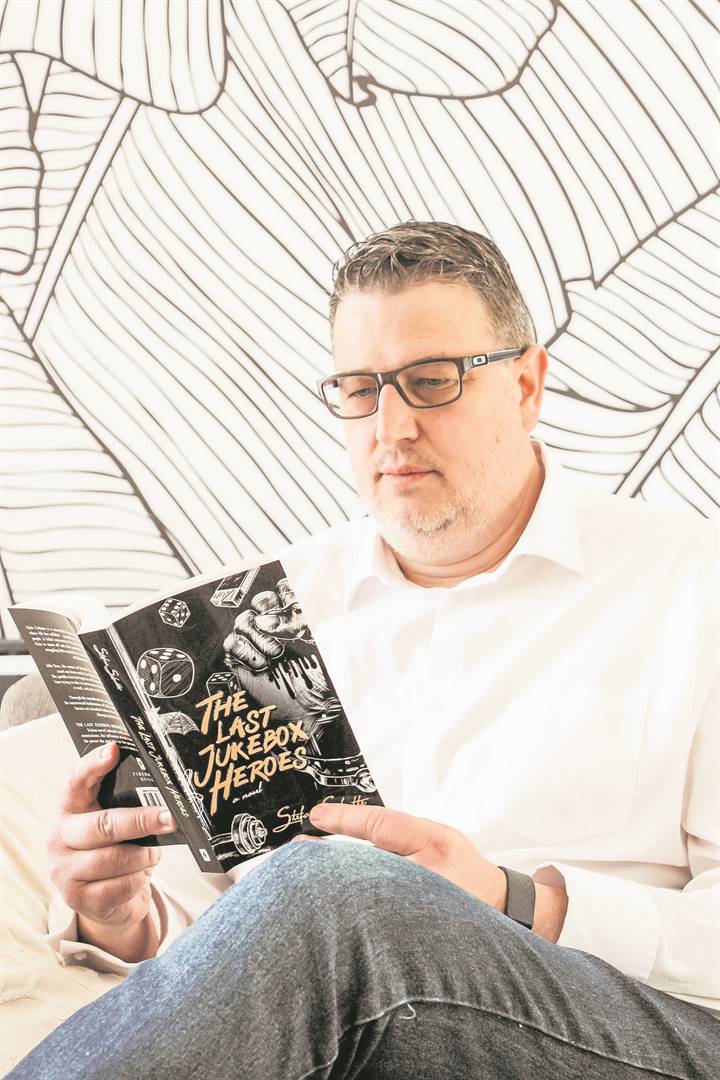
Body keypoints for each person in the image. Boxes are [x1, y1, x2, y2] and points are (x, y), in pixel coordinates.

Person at [10, 223, 719, 1078]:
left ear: (526, 385)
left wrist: (518, 901)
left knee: (331, 888)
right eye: (359, 389)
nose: (392, 428)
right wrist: (125, 917)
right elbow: (244, 951)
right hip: (365, 1010)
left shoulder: (693, 585)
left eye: (432, 381)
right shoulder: (265, 614)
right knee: (317, 894)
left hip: (636, 1031)